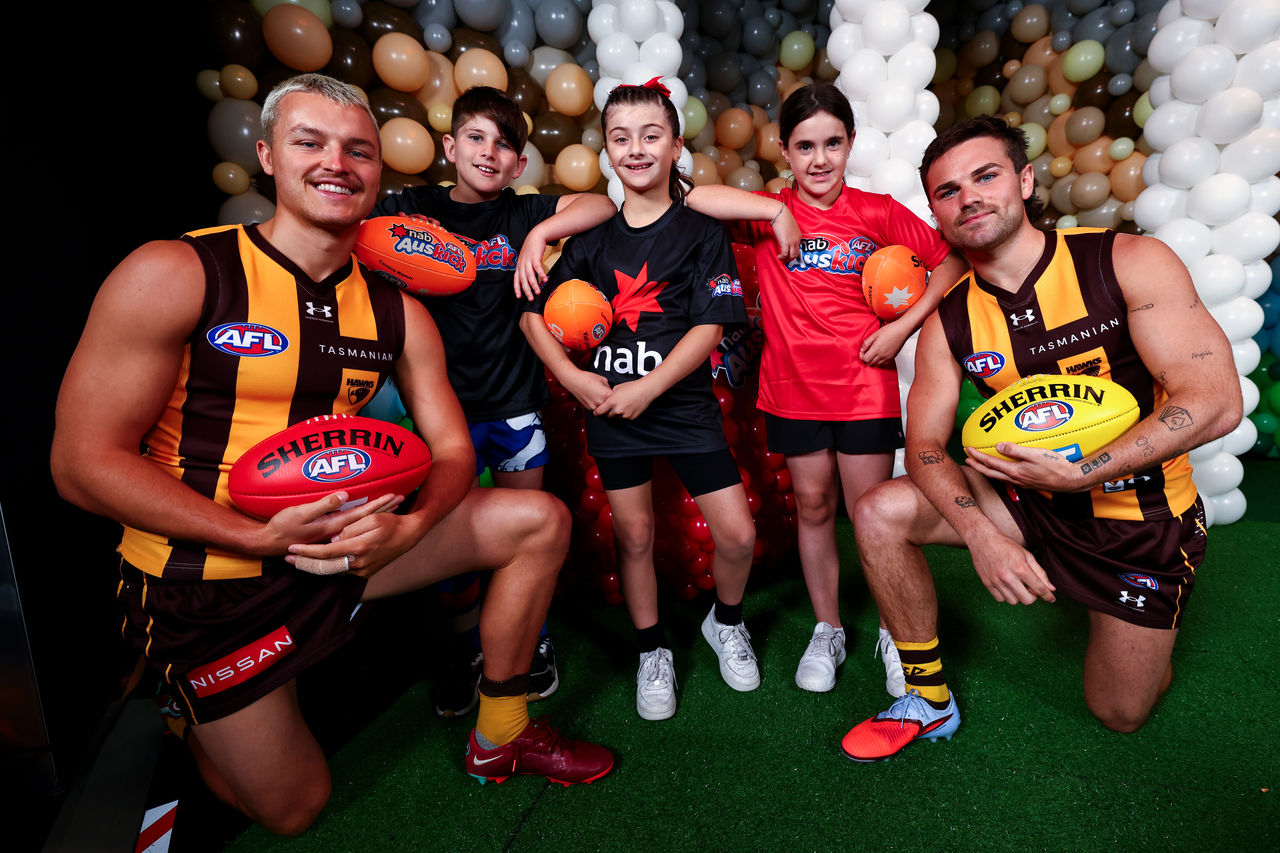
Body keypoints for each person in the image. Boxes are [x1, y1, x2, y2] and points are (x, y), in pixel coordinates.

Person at [51, 74, 612, 837]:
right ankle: (187, 708)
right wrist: (253, 535)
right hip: (207, 581)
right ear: (267, 157)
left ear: (380, 173)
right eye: (309, 142)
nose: (336, 163)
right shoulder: (179, 271)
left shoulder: (397, 312)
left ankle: (503, 733)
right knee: (295, 806)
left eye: (358, 150)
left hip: (342, 552)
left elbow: (451, 450)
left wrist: (409, 531)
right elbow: (81, 464)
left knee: (536, 519)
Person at [839, 115, 1242, 762]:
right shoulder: (949, 321)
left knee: (1120, 711)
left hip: (1134, 516)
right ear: (937, 215)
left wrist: (1087, 470)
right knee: (879, 510)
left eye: (986, 175)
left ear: (1024, 180)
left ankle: (1139, 622)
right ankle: (927, 696)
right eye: (948, 190)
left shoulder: (1127, 261)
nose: (968, 196)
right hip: (1027, 500)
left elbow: (1215, 400)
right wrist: (981, 535)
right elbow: (925, 448)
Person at [688, 83, 968, 697]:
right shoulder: (767, 208)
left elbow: (950, 261)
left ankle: (898, 633)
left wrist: (901, 327)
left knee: (871, 516)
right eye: (805, 145)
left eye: (833, 144)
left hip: (863, 384)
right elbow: (693, 198)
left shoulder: (876, 210)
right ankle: (829, 627)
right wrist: (771, 211)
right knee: (813, 509)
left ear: (851, 145)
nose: (819, 159)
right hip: (791, 388)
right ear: (784, 150)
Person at [520, 80, 770, 721]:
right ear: (607, 151)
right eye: (621, 138)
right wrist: (575, 382)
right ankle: (652, 649)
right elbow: (529, 315)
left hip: (682, 409)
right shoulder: (590, 242)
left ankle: (727, 622)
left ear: (675, 146)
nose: (636, 149)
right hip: (611, 413)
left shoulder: (700, 231)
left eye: (651, 135)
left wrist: (650, 389)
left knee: (738, 535)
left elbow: (711, 326)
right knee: (634, 536)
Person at [372, 86, 617, 715]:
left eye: (505, 145)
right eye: (476, 138)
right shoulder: (412, 209)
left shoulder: (522, 214)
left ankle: (529, 644)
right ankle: (462, 653)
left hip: (515, 406)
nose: (489, 152)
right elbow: (349, 227)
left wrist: (540, 237)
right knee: (453, 548)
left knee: (523, 535)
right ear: (451, 147)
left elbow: (600, 203)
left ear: (517, 165)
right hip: (440, 414)